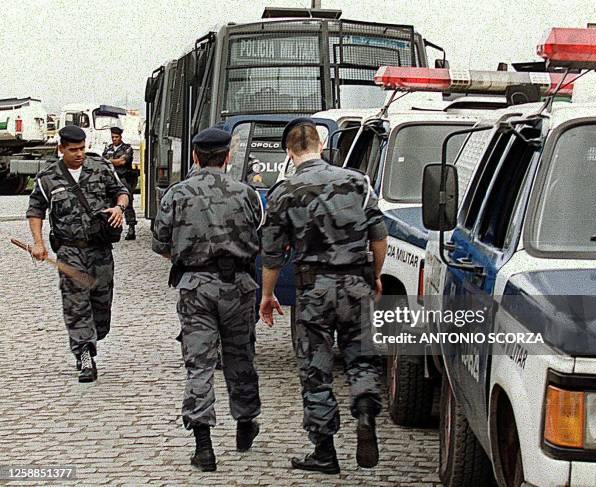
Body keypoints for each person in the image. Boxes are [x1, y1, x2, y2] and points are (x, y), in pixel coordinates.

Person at [260, 118, 388, 474]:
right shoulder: (356, 181)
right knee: (362, 358)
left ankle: (325, 451)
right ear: (321, 144)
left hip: (313, 291)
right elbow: (379, 234)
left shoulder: (284, 192)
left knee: (315, 370)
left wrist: (267, 295)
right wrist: (374, 274)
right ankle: (364, 410)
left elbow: (272, 254)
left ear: (289, 152)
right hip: (356, 284)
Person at [152, 127, 264, 472]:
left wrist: (190, 250)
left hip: (196, 286)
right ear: (228, 156)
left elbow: (159, 241)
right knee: (240, 356)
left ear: (196, 157)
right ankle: (245, 422)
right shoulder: (246, 193)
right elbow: (259, 232)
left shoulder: (177, 193)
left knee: (199, 364)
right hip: (239, 286)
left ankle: (203, 446)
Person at [26, 125, 129, 383]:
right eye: (73, 150)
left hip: (100, 250)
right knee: (76, 305)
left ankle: (93, 337)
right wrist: (38, 243)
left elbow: (122, 193)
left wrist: (119, 208)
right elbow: (35, 211)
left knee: (101, 307)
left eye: (82, 148)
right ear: (61, 149)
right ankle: (84, 354)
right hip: (70, 251)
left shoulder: (101, 167)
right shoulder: (48, 177)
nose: (79, 154)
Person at [102, 127, 137, 240]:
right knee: (110, 203)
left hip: (123, 178)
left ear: (120, 137)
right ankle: (112, 229)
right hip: (111, 179)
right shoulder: (108, 148)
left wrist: (109, 161)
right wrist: (112, 161)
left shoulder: (127, 148)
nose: (114, 139)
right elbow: (103, 161)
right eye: (112, 137)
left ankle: (131, 228)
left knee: (127, 203)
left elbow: (122, 161)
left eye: (116, 137)